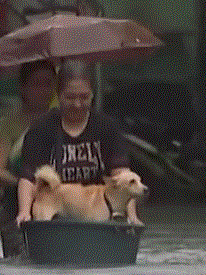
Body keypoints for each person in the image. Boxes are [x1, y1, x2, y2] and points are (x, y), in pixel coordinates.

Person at [14, 60, 139, 226]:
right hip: (50, 207)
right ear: (58, 96)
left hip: (96, 211)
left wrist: (132, 217)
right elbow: (28, 177)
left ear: (93, 94)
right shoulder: (41, 128)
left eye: (84, 97)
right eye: (70, 97)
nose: (77, 104)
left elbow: (123, 178)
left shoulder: (107, 127)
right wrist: (24, 212)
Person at [0, 59, 57, 257]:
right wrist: (27, 185)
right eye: (37, 84)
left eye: (48, 84)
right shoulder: (8, 124)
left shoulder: (62, 122)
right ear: (23, 87)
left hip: (56, 205)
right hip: (15, 208)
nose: (43, 90)